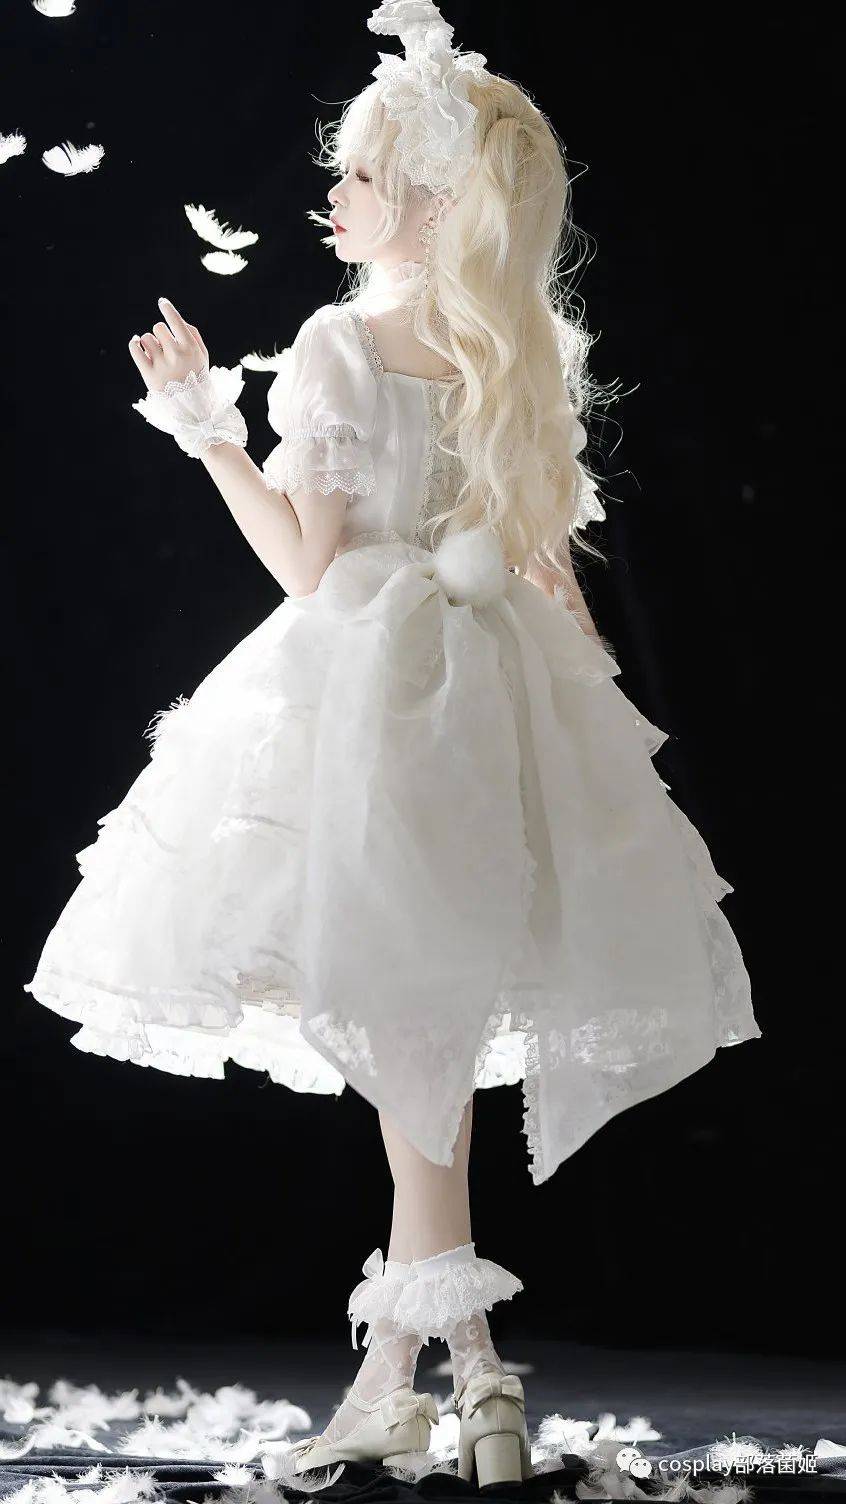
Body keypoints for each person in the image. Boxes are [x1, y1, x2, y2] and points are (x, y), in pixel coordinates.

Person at [23, 0, 761, 1485]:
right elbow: (543, 560)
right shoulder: (519, 353)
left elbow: (309, 565)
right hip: (497, 687)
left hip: (371, 691)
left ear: (429, 202)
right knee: (421, 1028)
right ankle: (451, 1376)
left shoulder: (337, 342)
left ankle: (450, 1377)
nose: (334, 195)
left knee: (412, 1023)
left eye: (361, 176)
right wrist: (588, 716)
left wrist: (207, 431)